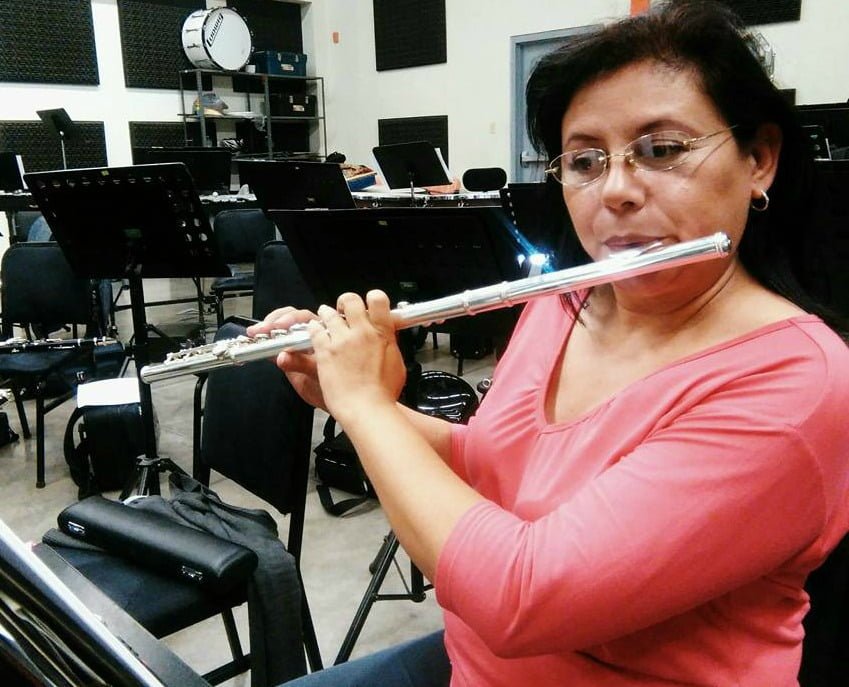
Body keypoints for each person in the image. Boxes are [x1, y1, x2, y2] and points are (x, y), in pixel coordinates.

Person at [251, 2, 849, 685]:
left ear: (759, 160)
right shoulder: (564, 304)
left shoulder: (797, 384)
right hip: (471, 667)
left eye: (661, 150)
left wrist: (367, 409)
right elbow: (489, 463)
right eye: (585, 160)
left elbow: (521, 599)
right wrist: (351, 393)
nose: (615, 190)